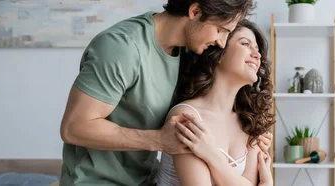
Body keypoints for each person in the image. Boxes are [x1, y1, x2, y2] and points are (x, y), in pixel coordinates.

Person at [57, 0, 273, 185]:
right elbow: (74, 127)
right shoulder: (122, 47)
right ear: (195, 11)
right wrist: (159, 139)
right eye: (220, 30)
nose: (221, 42)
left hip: (144, 180)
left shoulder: (190, 51)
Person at [155, 19, 274, 186]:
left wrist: (211, 156)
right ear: (218, 54)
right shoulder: (187, 117)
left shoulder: (249, 121)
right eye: (245, 43)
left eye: (257, 48)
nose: (257, 54)